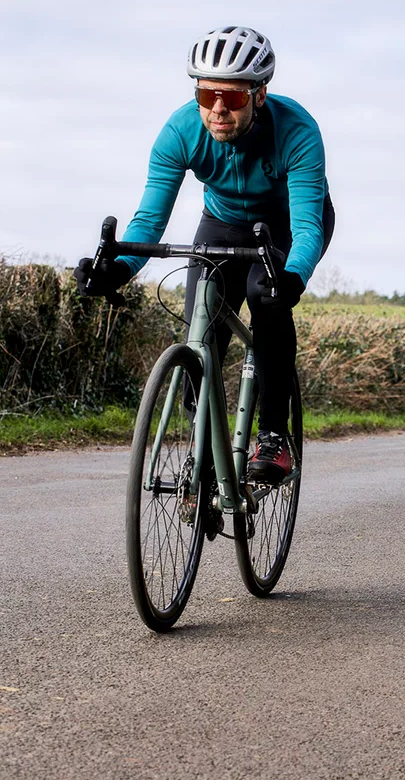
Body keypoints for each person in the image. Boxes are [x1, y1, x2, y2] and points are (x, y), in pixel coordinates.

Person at [74, 26, 335, 484]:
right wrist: (119, 269)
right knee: (203, 326)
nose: (217, 108)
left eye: (232, 98)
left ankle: (273, 438)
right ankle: (205, 444)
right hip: (221, 222)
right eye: (207, 93)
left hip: (286, 224)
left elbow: (310, 226)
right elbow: (149, 220)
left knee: (267, 297)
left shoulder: (298, 131)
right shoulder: (180, 131)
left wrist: (294, 275)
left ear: (259, 95)